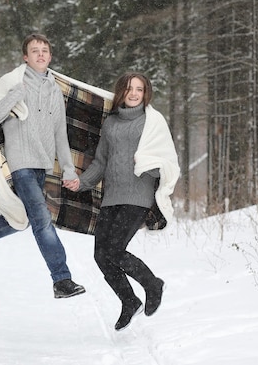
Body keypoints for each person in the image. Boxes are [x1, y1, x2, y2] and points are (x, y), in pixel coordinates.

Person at [0, 34, 86, 299]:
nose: (40, 55)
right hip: (21, 161)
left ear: (50, 56)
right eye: (34, 51)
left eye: (44, 51)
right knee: (41, 219)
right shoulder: (12, 82)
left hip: (42, 163)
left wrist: (70, 169)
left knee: (23, 219)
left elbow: (61, 133)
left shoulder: (55, 91)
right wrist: (15, 95)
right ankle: (62, 279)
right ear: (25, 57)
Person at [63, 72, 180, 330]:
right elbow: (101, 162)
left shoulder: (153, 121)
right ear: (121, 92)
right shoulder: (111, 123)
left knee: (115, 250)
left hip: (138, 195)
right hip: (112, 197)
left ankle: (152, 283)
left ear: (145, 92)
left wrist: (148, 167)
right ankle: (129, 301)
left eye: (139, 89)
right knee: (101, 256)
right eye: (129, 89)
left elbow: (167, 161)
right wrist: (81, 183)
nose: (134, 93)